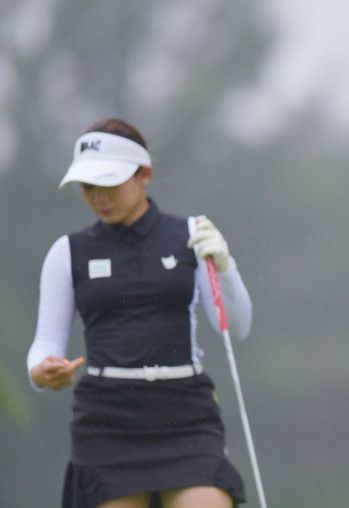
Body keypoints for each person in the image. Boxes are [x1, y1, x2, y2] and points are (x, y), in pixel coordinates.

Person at [27, 118, 253, 508]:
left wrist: (225, 266)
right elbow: (45, 343)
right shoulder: (67, 251)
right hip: (107, 418)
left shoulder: (192, 235)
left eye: (110, 184)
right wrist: (41, 370)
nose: (99, 197)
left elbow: (235, 328)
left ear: (143, 174)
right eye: (88, 187)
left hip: (185, 412)